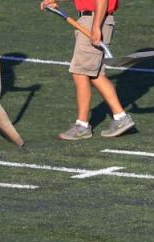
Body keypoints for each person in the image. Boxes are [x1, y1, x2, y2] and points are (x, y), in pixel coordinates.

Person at [39, 0, 136, 140]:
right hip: (94, 18)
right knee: (96, 75)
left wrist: (96, 26)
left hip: (95, 19)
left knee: (80, 72)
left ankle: (82, 126)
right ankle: (121, 118)